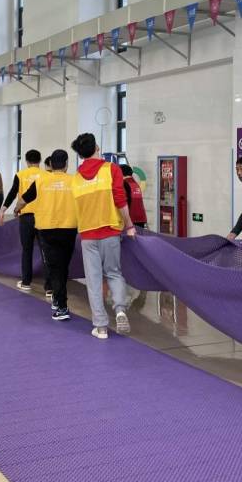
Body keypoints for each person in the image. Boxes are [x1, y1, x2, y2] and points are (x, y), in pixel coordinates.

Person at [70, 132, 137, 340]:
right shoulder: (111, 169)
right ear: (97, 147)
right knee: (114, 273)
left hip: (87, 236)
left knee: (94, 280)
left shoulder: (76, 179)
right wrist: (129, 225)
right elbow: (120, 200)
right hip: (110, 232)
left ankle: (100, 327)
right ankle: (120, 310)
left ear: (80, 155)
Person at [18, 149, 77, 321]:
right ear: (66, 164)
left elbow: (24, 199)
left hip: (47, 229)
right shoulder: (74, 181)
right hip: (69, 228)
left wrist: (16, 209)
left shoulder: (41, 181)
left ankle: (61, 305)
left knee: (54, 267)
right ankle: (59, 300)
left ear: (50, 164)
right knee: (63, 266)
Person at [0, 150, 46, 294]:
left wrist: (2, 210)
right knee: (46, 252)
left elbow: (13, 193)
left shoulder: (20, 175)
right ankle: (49, 287)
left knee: (27, 250)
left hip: (26, 218)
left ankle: (26, 282)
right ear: (40, 160)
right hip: (43, 217)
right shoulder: (46, 176)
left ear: (26, 161)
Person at [120, 165, 148, 229]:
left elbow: (123, 202)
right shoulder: (135, 183)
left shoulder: (124, 184)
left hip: (131, 219)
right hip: (141, 218)